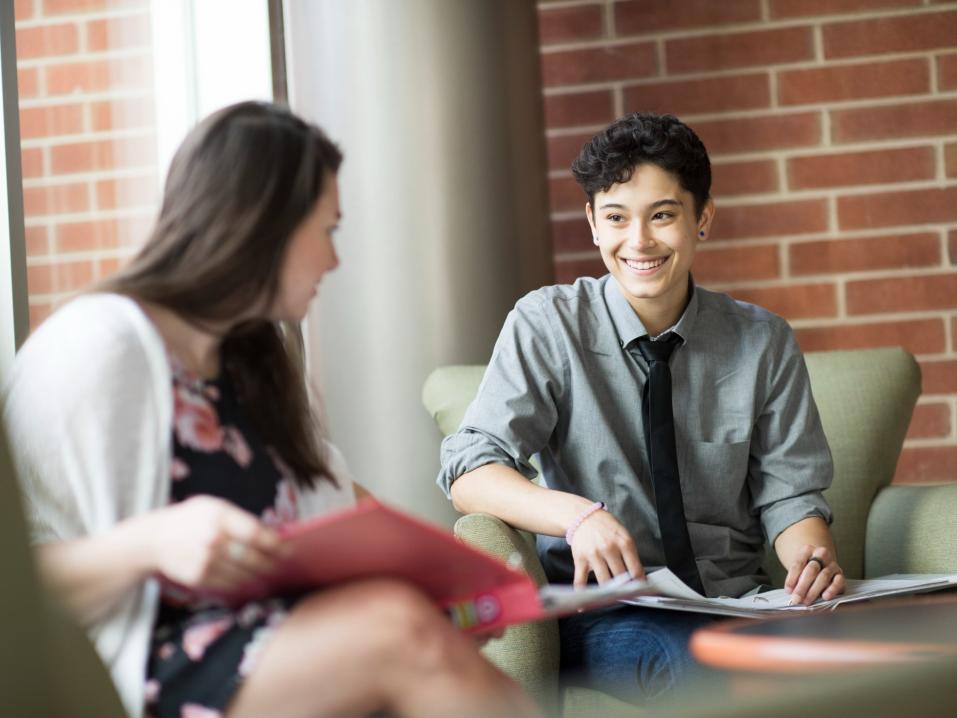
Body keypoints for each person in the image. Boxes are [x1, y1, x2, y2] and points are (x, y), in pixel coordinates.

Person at [4, 101, 538, 718]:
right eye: (328, 230)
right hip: (146, 669)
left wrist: (455, 590)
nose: (334, 262)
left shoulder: (260, 354)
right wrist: (147, 544)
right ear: (264, 224)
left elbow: (335, 512)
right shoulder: (96, 347)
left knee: (422, 631)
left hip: (278, 647)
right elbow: (14, 582)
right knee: (398, 634)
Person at [437, 112, 846, 703]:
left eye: (662, 215)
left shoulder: (764, 341)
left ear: (701, 218)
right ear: (593, 225)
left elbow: (790, 496)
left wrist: (811, 558)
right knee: (703, 666)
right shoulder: (548, 324)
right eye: (616, 218)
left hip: (737, 603)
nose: (640, 241)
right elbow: (469, 470)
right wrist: (577, 516)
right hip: (608, 608)